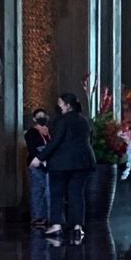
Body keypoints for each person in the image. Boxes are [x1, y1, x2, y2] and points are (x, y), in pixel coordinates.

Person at [33, 92, 94, 243]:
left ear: (67, 105)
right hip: (83, 162)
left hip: (61, 163)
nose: (58, 106)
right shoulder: (84, 120)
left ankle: (56, 225)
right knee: (77, 194)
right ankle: (78, 226)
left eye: (60, 103)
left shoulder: (61, 120)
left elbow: (56, 141)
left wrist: (39, 158)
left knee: (57, 194)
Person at [23, 111, 50, 230]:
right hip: (36, 163)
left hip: (48, 163)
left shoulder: (49, 131)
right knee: (37, 190)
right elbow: (32, 149)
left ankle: (45, 216)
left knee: (45, 190)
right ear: (34, 119)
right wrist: (40, 159)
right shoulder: (31, 132)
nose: (42, 118)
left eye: (43, 116)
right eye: (39, 116)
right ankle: (37, 217)